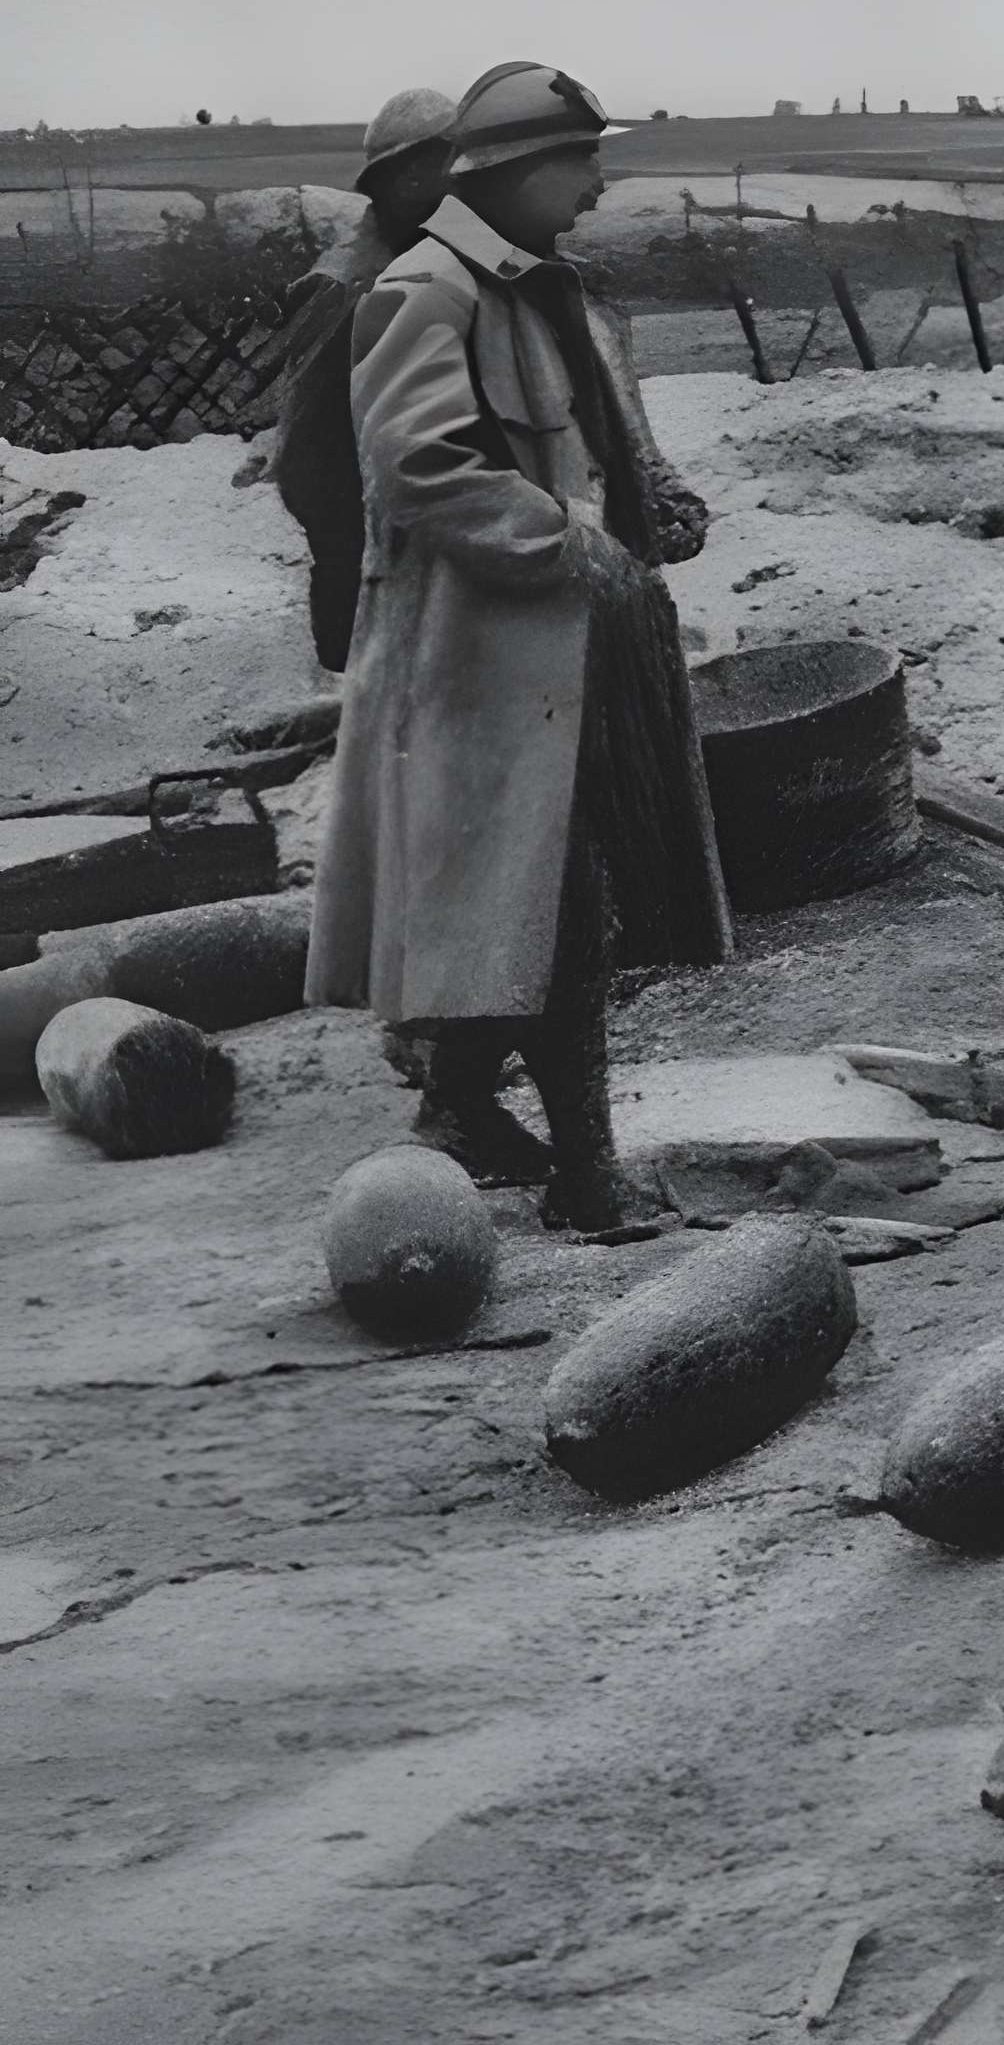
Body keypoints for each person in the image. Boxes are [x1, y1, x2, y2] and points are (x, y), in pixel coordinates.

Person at [305, 62, 731, 1230]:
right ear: (509, 171)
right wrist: (568, 545)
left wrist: (645, 507)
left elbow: (590, 439)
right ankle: (589, 1179)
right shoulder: (424, 293)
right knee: (561, 905)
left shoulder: (539, 288)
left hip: (553, 652)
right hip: (478, 661)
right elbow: (419, 467)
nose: (600, 180)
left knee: (521, 896)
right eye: (581, 159)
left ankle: (456, 1110)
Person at [269, 87, 462, 672]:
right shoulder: (342, 287)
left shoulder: (448, 248)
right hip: (363, 521)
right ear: (407, 183)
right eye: (457, 166)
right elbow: (303, 451)